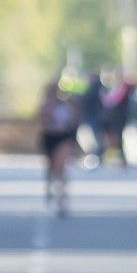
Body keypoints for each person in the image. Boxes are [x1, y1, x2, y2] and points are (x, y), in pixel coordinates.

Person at [38, 79, 81, 216]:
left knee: (61, 167)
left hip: (64, 138)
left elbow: (75, 120)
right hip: (50, 137)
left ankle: (62, 198)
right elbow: (42, 121)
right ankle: (49, 188)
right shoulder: (46, 104)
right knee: (51, 167)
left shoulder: (69, 104)